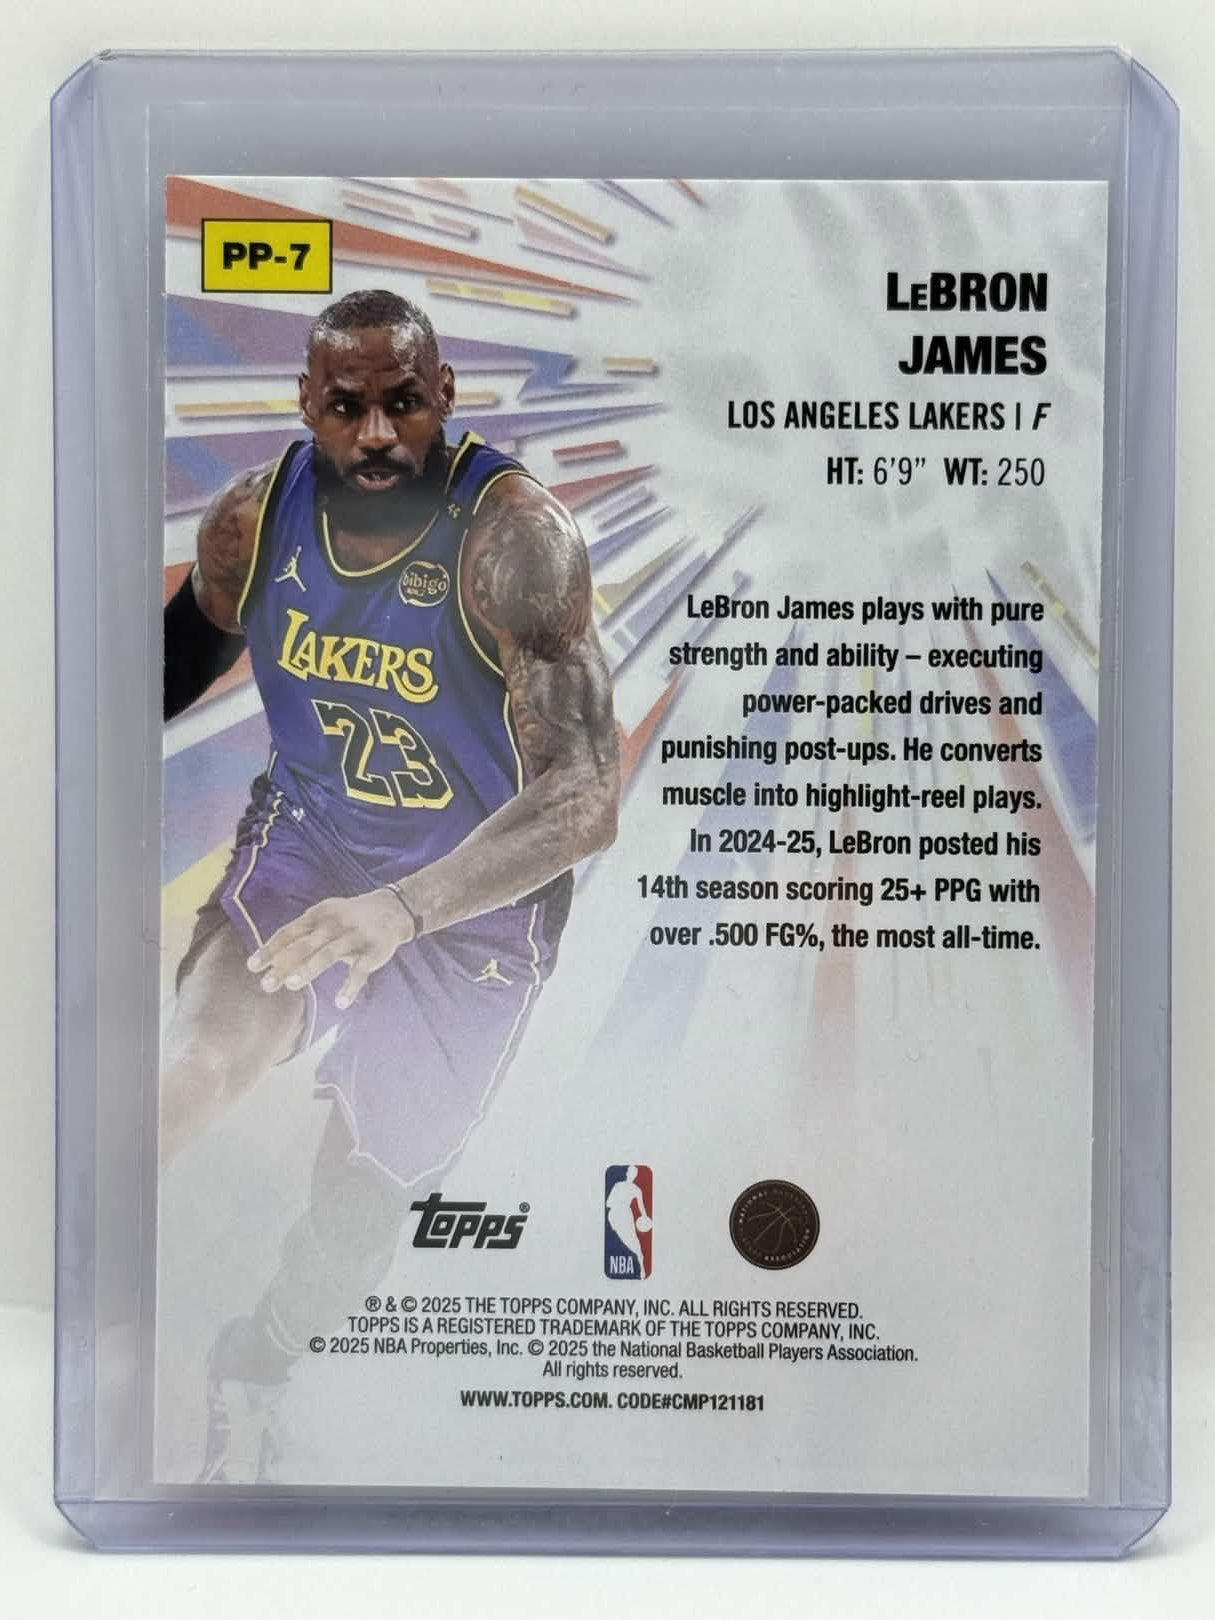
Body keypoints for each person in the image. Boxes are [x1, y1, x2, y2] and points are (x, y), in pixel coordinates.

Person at [161, 287, 620, 1481]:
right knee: (195, 1069)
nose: (375, 435)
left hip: (474, 903)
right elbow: (162, 667)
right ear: (306, 404)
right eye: (347, 407)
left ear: (444, 397)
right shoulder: (255, 519)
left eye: (403, 404)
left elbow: (586, 795)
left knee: (364, 1205)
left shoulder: (515, 538)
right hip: (317, 840)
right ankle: (71, 1289)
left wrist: (406, 910)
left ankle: (256, 1363)